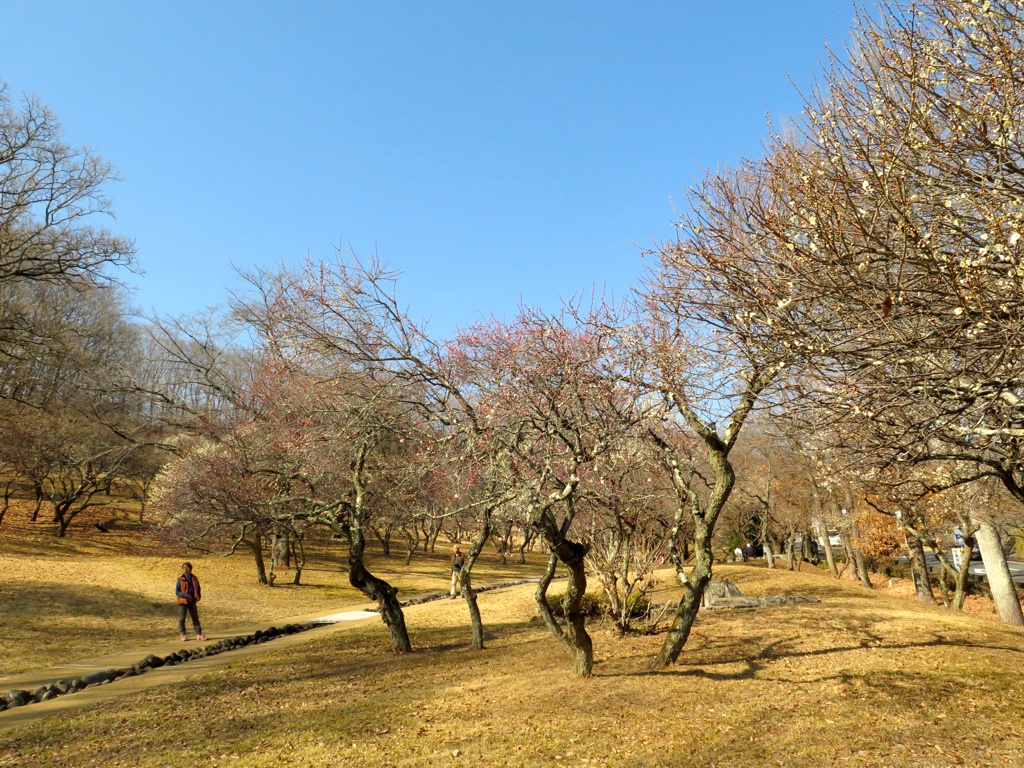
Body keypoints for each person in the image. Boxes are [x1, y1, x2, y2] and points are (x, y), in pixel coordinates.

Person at [176, 562, 207, 641]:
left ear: (190, 569)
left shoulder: (194, 578)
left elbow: (198, 589)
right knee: (182, 618)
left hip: (192, 600)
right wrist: (186, 596)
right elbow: (177, 592)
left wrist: (197, 598)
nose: (185, 569)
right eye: (184, 568)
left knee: (195, 617)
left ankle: (199, 634)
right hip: (183, 601)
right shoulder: (180, 580)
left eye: (187, 568)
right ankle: (183, 634)